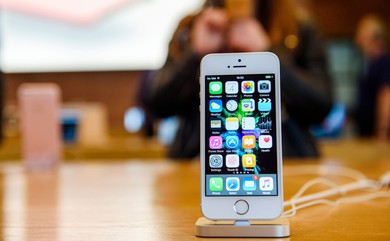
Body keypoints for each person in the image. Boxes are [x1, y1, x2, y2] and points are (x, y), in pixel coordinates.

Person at [143, 0, 333, 159]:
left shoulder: (297, 25)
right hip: (199, 162)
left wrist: (268, 52)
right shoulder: (190, 28)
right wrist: (194, 55)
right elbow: (156, 103)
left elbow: (322, 104)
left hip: (287, 162)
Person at [354, 14, 390, 142]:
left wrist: (382, 132)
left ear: (376, 38)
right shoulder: (370, 64)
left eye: (362, 36)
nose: (357, 40)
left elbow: (386, 96)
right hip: (366, 133)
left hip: (378, 136)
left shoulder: (385, 62)